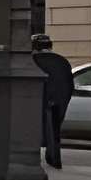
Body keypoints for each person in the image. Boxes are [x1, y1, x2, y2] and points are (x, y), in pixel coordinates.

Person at [32, 35, 74, 170]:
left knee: (32, 130)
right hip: (58, 100)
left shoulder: (33, 60)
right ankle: (55, 158)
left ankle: (32, 157)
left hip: (39, 99)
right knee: (54, 132)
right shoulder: (62, 61)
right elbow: (70, 84)